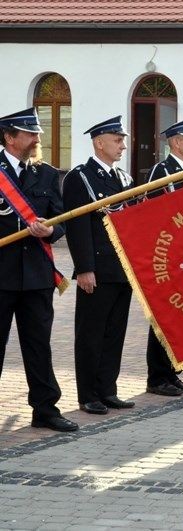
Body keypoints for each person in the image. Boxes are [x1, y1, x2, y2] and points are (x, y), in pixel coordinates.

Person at [0, 107, 78, 432]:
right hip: (0, 277)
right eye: (29, 134)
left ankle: (45, 409)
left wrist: (51, 231)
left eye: (36, 135)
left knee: (38, 345)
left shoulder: (46, 174)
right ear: (9, 136)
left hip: (36, 275)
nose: (36, 140)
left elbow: (61, 217)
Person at [62, 116, 136, 415]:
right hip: (97, 269)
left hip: (122, 269)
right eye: (117, 140)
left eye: (123, 140)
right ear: (99, 142)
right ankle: (88, 394)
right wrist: (83, 268)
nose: (123, 146)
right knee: (91, 334)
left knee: (115, 333)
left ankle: (108, 389)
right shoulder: (80, 178)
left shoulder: (123, 179)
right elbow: (77, 226)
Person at [144, 117, 183, 394]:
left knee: (181, 317)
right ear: (177, 142)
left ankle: (173, 371)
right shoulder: (162, 171)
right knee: (164, 316)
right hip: (167, 256)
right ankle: (157, 377)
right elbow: (154, 214)